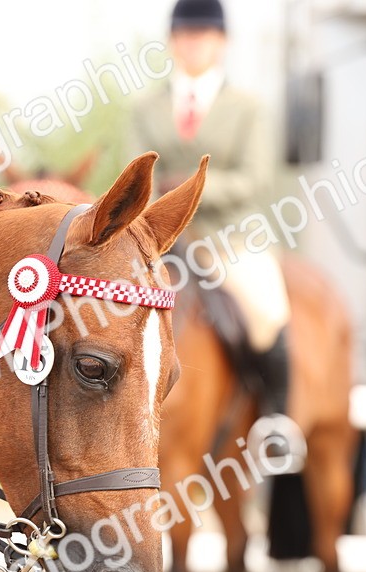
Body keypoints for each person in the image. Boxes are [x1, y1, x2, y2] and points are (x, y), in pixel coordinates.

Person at [131, 0, 306, 470]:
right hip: (162, 237)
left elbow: (255, 180)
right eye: (186, 37)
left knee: (268, 311)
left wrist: (189, 190)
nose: (193, 46)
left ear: (221, 43)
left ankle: (277, 421)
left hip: (231, 238)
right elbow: (133, 175)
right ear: (173, 42)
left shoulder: (248, 109)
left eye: (203, 37)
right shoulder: (146, 109)